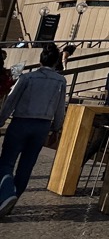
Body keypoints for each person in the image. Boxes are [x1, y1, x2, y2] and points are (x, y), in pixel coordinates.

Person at [0, 43, 66, 216]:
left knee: (6, 161)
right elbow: (60, 108)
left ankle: (7, 193)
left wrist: (1, 120)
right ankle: (13, 199)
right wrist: (57, 128)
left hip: (21, 122)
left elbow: (11, 101)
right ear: (56, 61)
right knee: (27, 165)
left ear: (40, 59)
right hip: (42, 125)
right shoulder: (61, 81)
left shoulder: (28, 78)